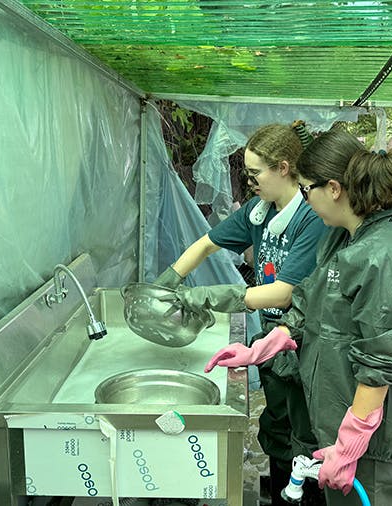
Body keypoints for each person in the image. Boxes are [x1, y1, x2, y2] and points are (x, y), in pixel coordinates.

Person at [205, 129, 392, 506]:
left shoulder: (382, 254)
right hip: (339, 408)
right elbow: (308, 303)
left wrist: (350, 444)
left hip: (376, 435)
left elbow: (380, 359)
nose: (303, 199)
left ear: (333, 188)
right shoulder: (342, 237)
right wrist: (265, 345)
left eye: (305, 189)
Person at [154, 122, 329, 506]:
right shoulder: (258, 212)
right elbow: (206, 243)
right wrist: (169, 280)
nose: (249, 182)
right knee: (276, 425)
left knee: (306, 436)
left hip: (305, 342)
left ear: (283, 168)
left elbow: (284, 294)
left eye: (255, 174)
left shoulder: (311, 219)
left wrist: (215, 296)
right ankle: (283, 489)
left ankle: (301, 496)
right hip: (272, 341)